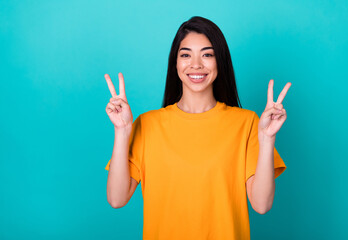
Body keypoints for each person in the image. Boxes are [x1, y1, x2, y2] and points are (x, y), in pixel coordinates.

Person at [104, 16, 291, 240]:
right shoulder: (147, 124)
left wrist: (267, 139)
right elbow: (117, 199)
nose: (196, 64)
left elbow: (261, 205)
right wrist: (122, 131)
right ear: (175, 63)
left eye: (207, 54)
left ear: (219, 61)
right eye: (185, 55)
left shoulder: (248, 123)